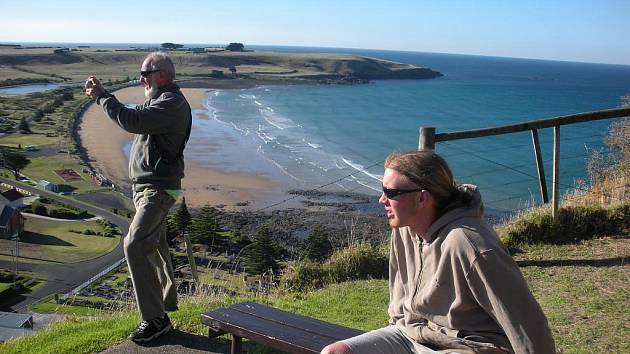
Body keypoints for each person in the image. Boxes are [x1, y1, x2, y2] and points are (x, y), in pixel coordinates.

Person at [322, 151, 555, 354]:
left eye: (391, 193)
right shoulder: (404, 229)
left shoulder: (470, 245)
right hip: (410, 336)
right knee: (335, 352)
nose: (382, 199)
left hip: (465, 347)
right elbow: (399, 303)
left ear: (422, 198)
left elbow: (528, 326)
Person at [84, 52, 192, 343]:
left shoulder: (171, 103)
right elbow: (137, 119)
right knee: (154, 247)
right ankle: (165, 307)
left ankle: (155, 319)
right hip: (149, 188)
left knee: (134, 244)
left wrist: (103, 96)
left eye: (146, 73)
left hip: (158, 189)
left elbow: (132, 121)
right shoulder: (160, 100)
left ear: (163, 75)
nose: (141, 78)